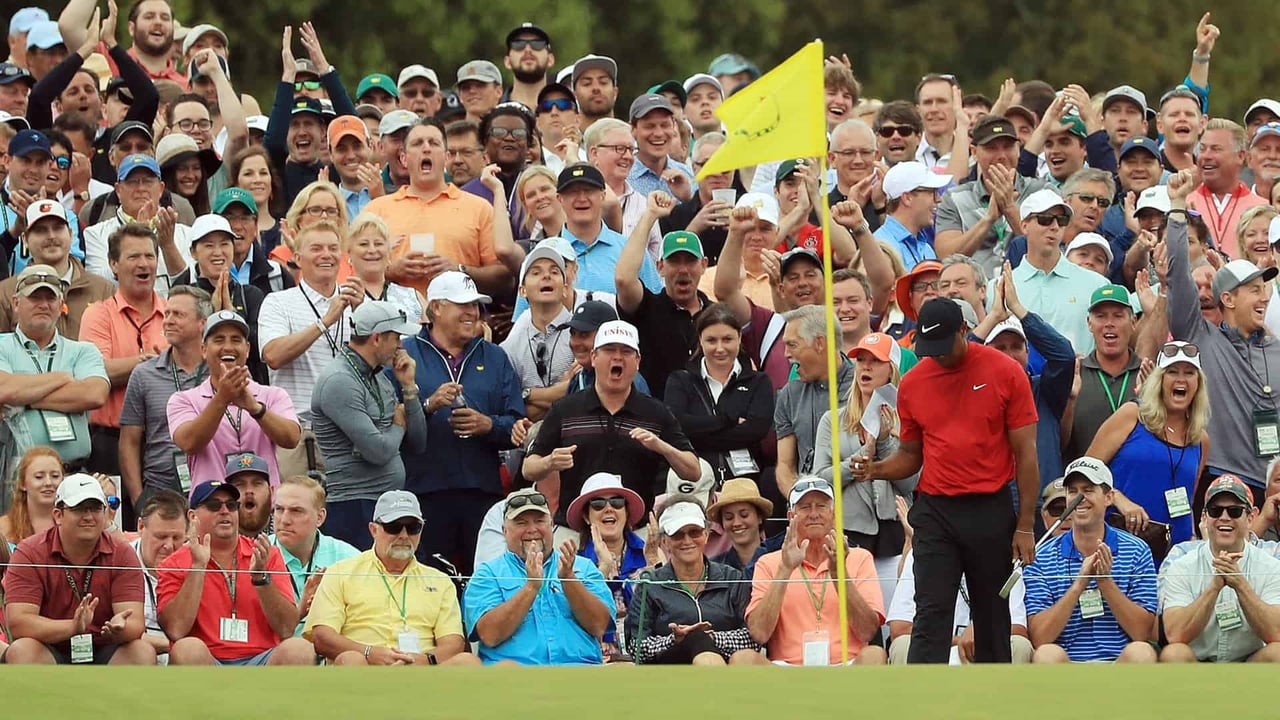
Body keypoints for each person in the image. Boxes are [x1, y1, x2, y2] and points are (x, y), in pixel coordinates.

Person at [852, 298, 1038, 664]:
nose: (936, 356)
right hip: (936, 509)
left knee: (992, 615)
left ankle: (994, 700)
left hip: (990, 507)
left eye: (943, 347)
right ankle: (926, 704)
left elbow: (1026, 454)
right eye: (928, 348)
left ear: (964, 332)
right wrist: (874, 469)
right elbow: (910, 456)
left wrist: (1026, 525)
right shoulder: (915, 381)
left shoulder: (1005, 371)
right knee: (931, 611)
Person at [525, 320, 700, 535]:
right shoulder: (565, 409)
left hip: (637, 532)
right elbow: (528, 468)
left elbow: (693, 471)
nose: (617, 357)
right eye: (609, 350)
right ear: (594, 358)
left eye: (626, 351)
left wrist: (662, 447)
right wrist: (549, 462)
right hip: (574, 531)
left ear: (637, 361)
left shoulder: (656, 412)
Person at [1167, 167, 1280, 497]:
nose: (1265, 297)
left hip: (1274, 483)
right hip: (1221, 478)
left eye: (1265, 288)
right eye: (1254, 290)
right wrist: (1176, 204)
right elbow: (1177, 275)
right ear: (1228, 298)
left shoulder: (1277, 347)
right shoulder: (1202, 338)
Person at [304, 489, 477, 665]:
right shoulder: (341, 572)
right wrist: (370, 653)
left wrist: (421, 661)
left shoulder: (440, 581)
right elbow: (322, 637)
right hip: (364, 668)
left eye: (412, 528)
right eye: (393, 527)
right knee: (351, 659)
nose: (403, 535)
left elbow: (453, 643)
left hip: (423, 672)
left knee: (467, 662)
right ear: (373, 530)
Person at [157, 479, 315, 665]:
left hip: (261, 660)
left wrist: (260, 578)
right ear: (193, 516)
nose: (224, 511)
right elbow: (175, 630)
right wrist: (198, 566)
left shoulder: (266, 555)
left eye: (231, 505)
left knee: (300, 649)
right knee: (187, 649)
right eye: (214, 505)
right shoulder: (174, 562)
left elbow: (287, 628)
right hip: (208, 660)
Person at [1, 473, 153, 665]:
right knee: (23, 651)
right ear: (58, 515)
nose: (88, 516)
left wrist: (120, 628)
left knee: (141, 652)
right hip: (49, 646)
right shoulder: (29, 552)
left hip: (106, 646)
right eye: (79, 509)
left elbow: (135, 623)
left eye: (96, 508)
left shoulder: (122, 553)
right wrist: (72, 627)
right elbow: (19, 624)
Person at [813, 332, 917, 610]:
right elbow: (821, 480)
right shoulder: (831, 420)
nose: (865, 367)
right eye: (860, 360)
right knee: (853, 616)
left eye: (875, 361)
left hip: (893, 534)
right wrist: (862, 455)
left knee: (894, 615)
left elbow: (911, 485)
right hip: (848, 532)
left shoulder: (909, 422)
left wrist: (884, 443)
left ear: (891, 369)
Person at [312, 300, 426, 549]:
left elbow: (418, 442)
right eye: (395, 337)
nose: (400, 344)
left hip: (386, 504)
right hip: (354, 507)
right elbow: (378, 451)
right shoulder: (339, 380)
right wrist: (397, 425)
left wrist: (408, 387)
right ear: (376, 338)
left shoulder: (380, 378)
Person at [1024, 457, 1159, 664]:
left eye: (1088, 490)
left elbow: (1142, 632)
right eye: (1073, 491)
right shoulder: (1042, 555)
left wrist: (1105, 581)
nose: (1079, 498)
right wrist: (1079, 584)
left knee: (1142, 652)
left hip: (1119, 662)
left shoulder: (1137, 550)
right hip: (1067, 663)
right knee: (1046, 654)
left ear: (1108, 497)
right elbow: (1040, 637)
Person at [743, 477, 886, 666]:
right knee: (743, 658)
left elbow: (868, 631)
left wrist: (838, 574)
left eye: (821, 506)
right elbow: (759, 633)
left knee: (874, 654)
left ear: (834, 515)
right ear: (790, 516)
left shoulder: (859, 557)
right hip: (787, 670)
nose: (813, 514)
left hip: (848, 667)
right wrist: (785, 570)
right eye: (804, 507)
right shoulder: (768, 562)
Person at [464, 487, 615, 665]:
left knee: (625, 669)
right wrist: (531, 587)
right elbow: (489, 635)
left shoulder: (583, 566)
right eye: (521, 523)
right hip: (515, 678)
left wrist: (569, 578)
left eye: (540, 521)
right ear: (505, 531)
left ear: (551, 526)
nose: (532, 529)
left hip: (580, 673)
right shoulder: (487, 574)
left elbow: (599, 626)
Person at [258, 221, 361, 480]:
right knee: (293, 515)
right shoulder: (278, 302)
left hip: (350, 434)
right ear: (297, 258)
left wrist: (362, 316)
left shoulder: (359, 302)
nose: (326, 254)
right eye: (316, 248)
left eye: (332, 248)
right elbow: (273, 356)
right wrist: (325, 322)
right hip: (297, 433)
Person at [1086, 341, 1209, 552]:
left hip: (1173, 554)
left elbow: (1189, 497)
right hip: (1121, 544)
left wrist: (1192, 538)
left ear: (1198, 383)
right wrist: (1118, 499)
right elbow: (1084, 471)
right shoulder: (1132, 415)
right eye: (1172, 372)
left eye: (1189, 373)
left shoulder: (1200, 439)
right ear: (1159, 380)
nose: (1181, 379)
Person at [369, 119, 510, 296]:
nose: (426, 148)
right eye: (417, 143)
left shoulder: (479, 208)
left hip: (458, 317)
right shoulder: (376, 211)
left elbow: (504, 278)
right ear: (404, 158)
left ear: (446, 157)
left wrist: (459, 270)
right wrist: (390, 271)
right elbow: (352, 271)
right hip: (395, 320)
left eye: (434, 143)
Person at [167, 310, 301, 490]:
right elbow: (189, 443)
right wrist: (222, 398)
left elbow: (291, 439)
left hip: (264, 508)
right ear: (204, 350)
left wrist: (255, 409)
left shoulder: (273, 395)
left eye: (236, 340)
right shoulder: (183, 399)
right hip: (212, 507)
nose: (228, 347)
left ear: (247, 349)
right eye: (219, 340)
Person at [80, 222, 169, 477]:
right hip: (109, 442)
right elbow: (96, 372)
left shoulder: (173, 312)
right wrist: (148, 364)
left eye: (149, 256)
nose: (144, 264)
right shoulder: (98, 314)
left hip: (162, 441)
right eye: (133, 256)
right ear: (113, 264)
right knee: (113, 516)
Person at [0, 263, 109, 472]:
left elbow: (94, 394)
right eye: (34, 297)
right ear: (15, 303)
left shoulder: (83, 350)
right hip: (15, 473)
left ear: (61, 304)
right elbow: (4, 389)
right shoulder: (2, 346)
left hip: (74, 472)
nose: (43, 305)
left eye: (50, 298)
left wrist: (22, 399)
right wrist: (64, 378)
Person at [1160, 474, 1280, 663]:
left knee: (1278, 653)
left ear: (1251, 517)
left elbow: (1276, 633)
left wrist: (1240, 583)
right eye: (1215, 511)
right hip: (1197, 662)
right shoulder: (1182, 564)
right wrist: (1215, 586)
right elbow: (1174, 635)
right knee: (1173, 654)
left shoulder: (1270, 565)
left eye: (1234, 511)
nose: (1224, 518)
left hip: (1250, 664)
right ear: (1205, 517)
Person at [625, 498, 761, 665]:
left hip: (727, 667)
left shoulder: (732, 577)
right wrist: (674, 640)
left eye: (694, 532)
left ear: (706, 534)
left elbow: (753, 638)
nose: (687, 540)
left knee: (742, 657)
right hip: (670, 671)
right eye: (677, 534)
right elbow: (637, 648)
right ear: (664, 541)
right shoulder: (650, 584)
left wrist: (710, 638)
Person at [663, 304, 774, 486]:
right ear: (700, 340)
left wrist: (698, 435)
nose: (720, 348)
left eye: (727, 339)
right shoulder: (680, 380)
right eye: (712, 340)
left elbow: (756, 431)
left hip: (745, 483)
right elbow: (677, 426)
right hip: (694, 480)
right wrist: (728, 421)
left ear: (739, 338)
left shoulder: (759, 382)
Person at [119, 285, 210, 506]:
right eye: (167, 313)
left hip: (212, 491)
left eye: (178, 314)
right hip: (158, 492)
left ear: (202, 323)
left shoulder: (218, 373)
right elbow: (129, 442)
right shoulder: (144, 374)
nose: (168, 320)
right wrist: (138, 498)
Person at [0, 196, 112, 339]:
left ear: (71, 235)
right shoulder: (5, 293)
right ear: (25, 240)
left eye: (58, 228)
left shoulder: (103, 290)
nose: (51, 236)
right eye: (41, 230)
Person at [83, 153, 192, 297]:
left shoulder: (186, 234)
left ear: (160, 189)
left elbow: (191, 286)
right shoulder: (95, 234)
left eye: (147, 181)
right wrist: (137, 236)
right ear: (118, 190)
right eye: (132, 181)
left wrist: (168, 245)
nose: (141, 188)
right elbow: (99, 284)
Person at [566, 472, 649, 661]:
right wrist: (602, 569)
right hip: (594, 657)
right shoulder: (574, 562)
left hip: (644, 652)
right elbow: (579, 615)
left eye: (617, 502)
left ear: (626, 512)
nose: (609, 509)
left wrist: (653, 563)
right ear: (586, 517)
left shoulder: (648, 553)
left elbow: (661, 607)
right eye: (598, 504)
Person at [775, 304, 855, 497]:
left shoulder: (863, 387)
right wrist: (800, 501)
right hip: (810, 511)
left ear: (820, 342)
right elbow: (785, 466)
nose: (786, 354)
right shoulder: (789, 395)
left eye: (793, 345)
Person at [267, 476, 360, 636]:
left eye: (296, 511)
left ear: (320, 517)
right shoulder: (255, 554)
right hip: (270, 652)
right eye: (279, 509)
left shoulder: (348, 558)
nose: (284, 520)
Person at [1062, 284, 1143, 462]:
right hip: (1084, 485)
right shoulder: (1073, 374)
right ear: (1089, 324)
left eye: (1118, 316)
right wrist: (1070, 401)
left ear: (1133, 322)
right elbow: (1058, 444)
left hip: (1133, 484)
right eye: (1101, 316)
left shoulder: (1148, 376)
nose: (1109, 324)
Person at [872, 161, 949, 270]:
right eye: (932, 192)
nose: (938, 199)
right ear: (907, 198)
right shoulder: (880, 246)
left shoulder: (927, 249)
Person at [706, 478, 774, 573]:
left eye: (744, 515)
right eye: (729, 517)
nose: (737, 523)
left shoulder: (780, 560)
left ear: (759, 517)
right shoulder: (713, 569)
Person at [0, 447, 64, 544]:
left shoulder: (73, 523)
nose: (48, 482)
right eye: (39, 477)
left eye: (55, 476)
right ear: (22, 484)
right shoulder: (4, 528)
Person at [224, 452, 274, 538]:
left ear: (271, 491)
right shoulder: (217, 540)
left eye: (257, 484)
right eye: (240, 484)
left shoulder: (285, 534)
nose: (249, 491)